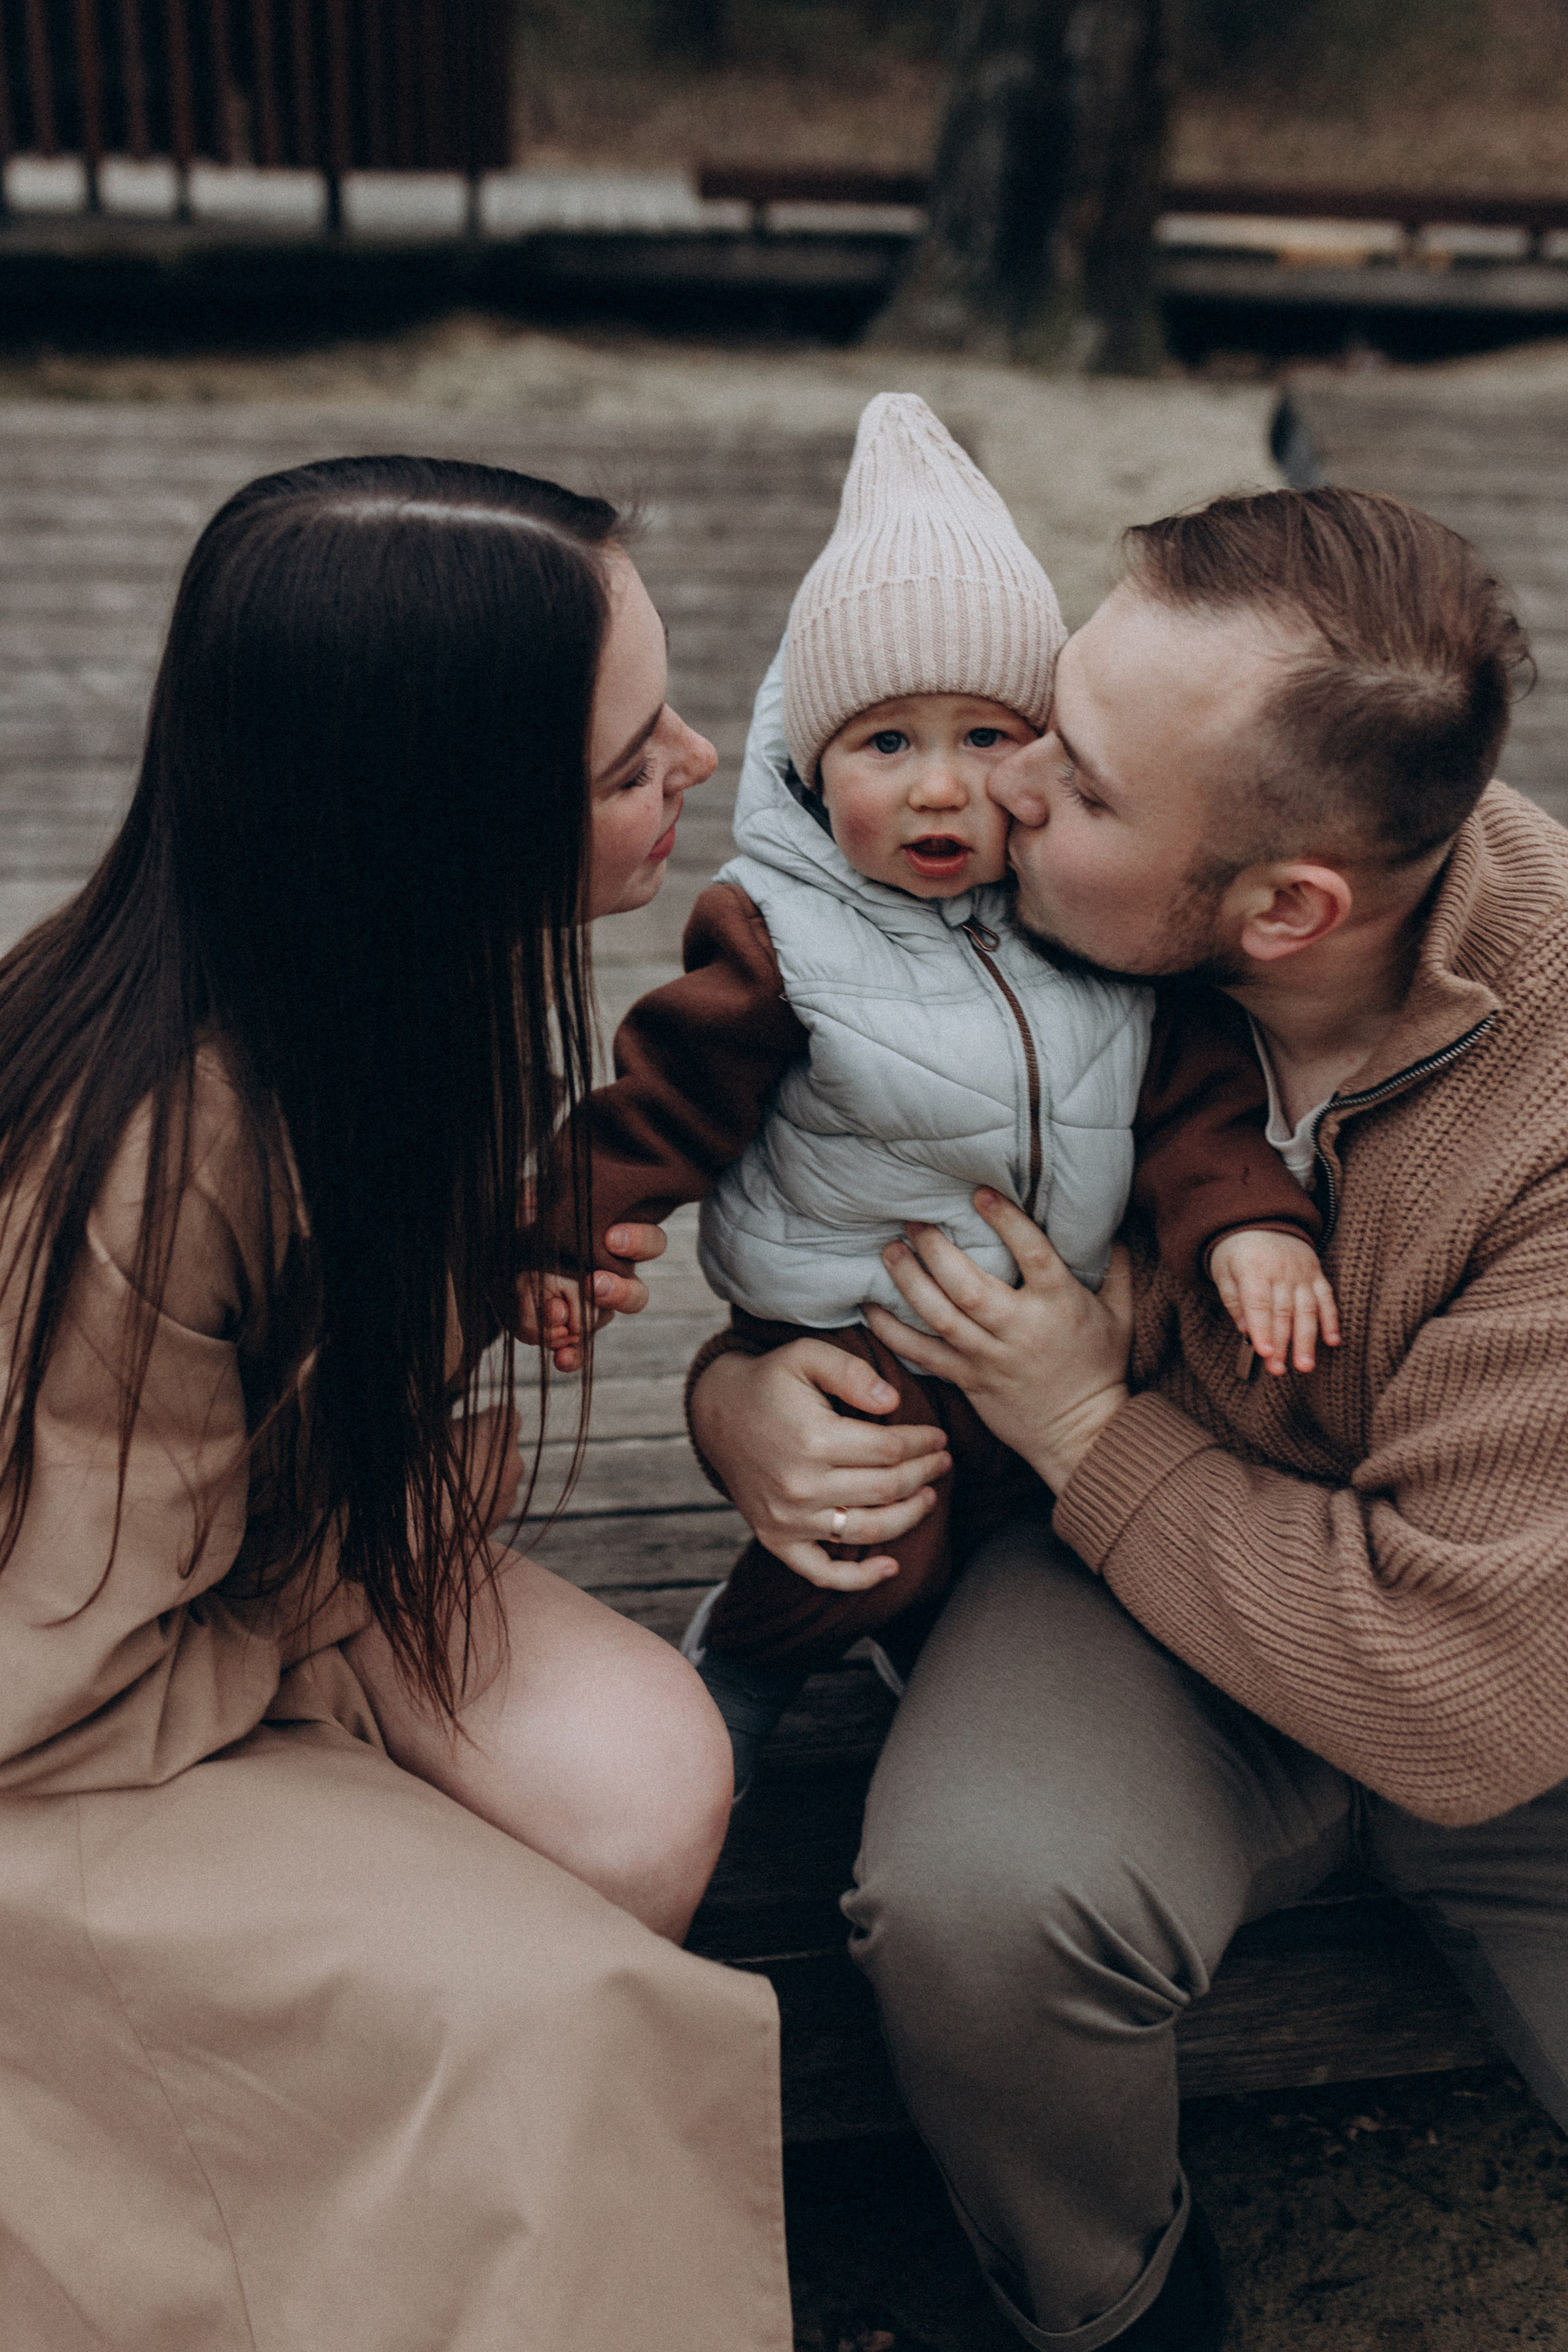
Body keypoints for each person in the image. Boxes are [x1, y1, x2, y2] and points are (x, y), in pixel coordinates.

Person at [684, 484, 1568, 2351]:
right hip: (1137, 1593)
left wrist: (1085, 1423)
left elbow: (1455, 1694)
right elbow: (815, 1190)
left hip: (1513, 1669)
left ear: (1285, 911)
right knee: (976, 1906)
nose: (998, 790)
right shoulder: (1016, 919)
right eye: (1047, 716)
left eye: (1073, 782)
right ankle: (1119, 2310)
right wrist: (741, 1396)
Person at [0, 455, 791, 2351]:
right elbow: (59, 1676)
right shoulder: (153, 1151)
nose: (696, 762)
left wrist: (464, 1293)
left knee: (648, 1784)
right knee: (561, 2035)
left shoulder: (390, 989)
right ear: (441, 821)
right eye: (630, 762)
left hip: (265, 1569)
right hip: (89, 1716)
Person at [543, 395, 1333, 1793]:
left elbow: (1190, 1097)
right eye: (886, 745)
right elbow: (666, 1098)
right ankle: (748, 1659)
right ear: (812, 767)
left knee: (1020, 1521)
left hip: (1044, 1316)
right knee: (873, 1532)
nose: (939, 791)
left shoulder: (1078, 915)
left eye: (984, 737)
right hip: (855, 1321)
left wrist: (1246, 1222)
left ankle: (939, 1645)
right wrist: (563, 1235)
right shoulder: (784, 936)